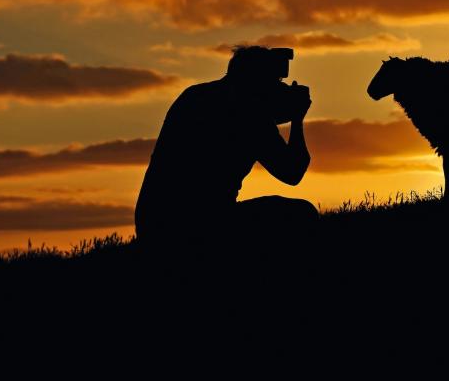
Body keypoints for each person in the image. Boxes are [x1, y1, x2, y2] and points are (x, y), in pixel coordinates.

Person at [134, 45, 318, 248]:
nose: (277, 88)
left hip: (153, 226)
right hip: (202, 226)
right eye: (275, 82)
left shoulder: (194, 96)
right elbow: (292, 172)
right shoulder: (250, 113)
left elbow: (228, 129)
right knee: (302, 214)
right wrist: (297, 118)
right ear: (259, 81)